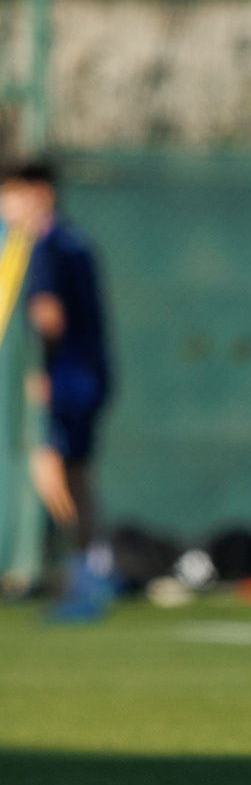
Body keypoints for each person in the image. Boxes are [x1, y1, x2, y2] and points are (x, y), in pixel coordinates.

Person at [0, 161, 112, 559]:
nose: (5, 208)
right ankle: (95, 567)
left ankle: (87, 562)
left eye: (10, 197)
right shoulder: (74, 240)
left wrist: (40, 367)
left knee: (49, 470)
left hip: (64, 377)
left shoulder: (46, 245)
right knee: (77, 475)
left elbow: (49, 316)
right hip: (88, 373)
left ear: (39, 194)